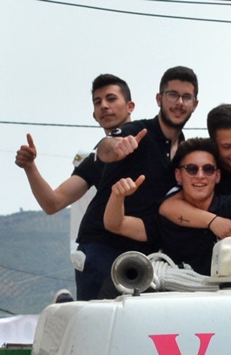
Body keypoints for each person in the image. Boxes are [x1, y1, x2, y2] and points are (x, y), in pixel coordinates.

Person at [14, 74, 137, 300]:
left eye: (111, 99)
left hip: (148, 255)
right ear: (94, 115)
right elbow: (53, 202)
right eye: (98, 102)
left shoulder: (154, 144)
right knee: (97, 320)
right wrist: (30, 167)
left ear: (130, 106)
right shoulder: (94, 160)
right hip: (99, 255)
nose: (104, 106)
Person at [84, 66, 199, 294]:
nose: (179, 103)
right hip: (103, 246)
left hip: (145, 253)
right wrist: (117, 146)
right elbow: (106, 147)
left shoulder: (185, 149)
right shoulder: (137, 131)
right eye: (172, 95)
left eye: (186, 97)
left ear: (195, 104)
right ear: (159, 99)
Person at [104, 139, 231, 275]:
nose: (200, 175)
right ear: (178, 175)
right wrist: (117, 196)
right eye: (191, 169)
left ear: (217, 176)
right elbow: (116, 224)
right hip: (178, 300)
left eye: (208, 169)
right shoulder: (165, 218)